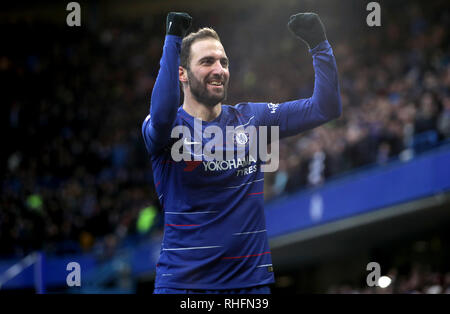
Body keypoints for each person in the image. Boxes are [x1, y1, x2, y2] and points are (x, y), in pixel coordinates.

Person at [142, 12, 342, 294]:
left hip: (250, 286)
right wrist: (172, 40)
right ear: (181, 73)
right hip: (184, 287)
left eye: (223, 62)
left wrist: (319, 46)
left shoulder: (252, 119)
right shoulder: (168, 128)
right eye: (207, 61)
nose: (219, 69)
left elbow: (325, 107)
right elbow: (161, 116)